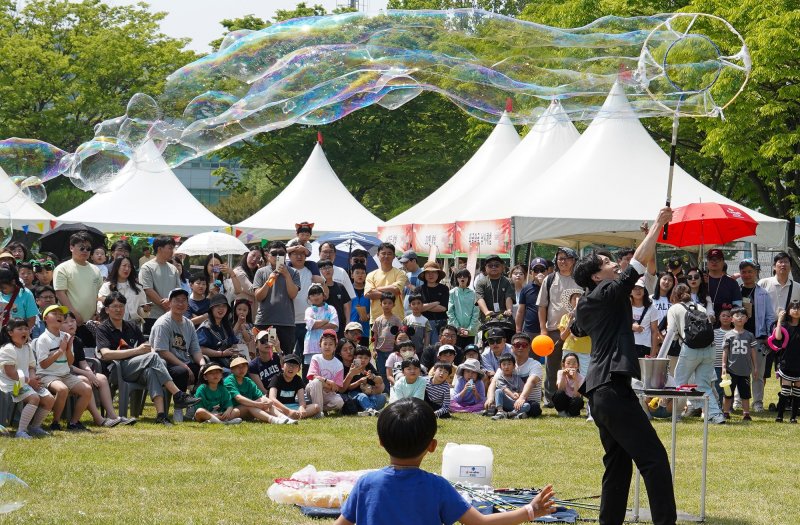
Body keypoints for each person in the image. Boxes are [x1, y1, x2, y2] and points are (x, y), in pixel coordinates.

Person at [572, 207, 677, 525]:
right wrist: (658, 226)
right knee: (654, 460)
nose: (613, 266)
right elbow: (634, 267)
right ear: (595, 276)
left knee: (618, 465)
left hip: (599, 393)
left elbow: (643, 271)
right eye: (606, 263)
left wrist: (652, 237)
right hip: (612, 390)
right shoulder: (605, 292)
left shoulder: (588, 303)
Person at [335, 397, 555, 525]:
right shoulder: (437, 486)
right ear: (432, 446)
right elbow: (480, 523)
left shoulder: (366, 483)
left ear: (381, 442)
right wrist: (530, 510)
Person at [96, 292, 200, 426]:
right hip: (116, 370)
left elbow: (147, 347)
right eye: (114, 306)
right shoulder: (103, 328)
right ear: (106, 309)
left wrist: (147, 351)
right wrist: (137, 351)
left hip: (136, 368)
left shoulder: (131, 326)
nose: (118, 309)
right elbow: (106, 354)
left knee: (153, 369)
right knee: (154, 357)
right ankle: (178, 394)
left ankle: (161, 415)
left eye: (121, 306)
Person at [658, 283, 726, 424]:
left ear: (674, 296)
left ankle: (676, 415)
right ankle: (716, 415)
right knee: (703, 384)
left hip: (690, 350)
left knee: (679, 383)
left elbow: (672, 333)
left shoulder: (674, 308)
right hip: (709, 348)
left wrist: (661, 355)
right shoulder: (699, 306)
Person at [63, 311, 133, 427]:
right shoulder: (60, 341)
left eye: (73, 321)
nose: (71, 324)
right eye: (66, 322)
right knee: (85, 380)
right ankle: (98, 418)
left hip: (78, 372)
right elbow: (65, 365)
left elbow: (83, 362)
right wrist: (87, 374)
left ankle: (112, 416)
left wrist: (90, 372)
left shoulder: (77, 340)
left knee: (102, 378)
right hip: (66, 373)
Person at [32, 304, 92, 432]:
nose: (60, 316)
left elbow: (70, 362)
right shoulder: (43, 339)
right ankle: (55, 422)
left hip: (65, 374)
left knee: (87, 390)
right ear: (46, 318)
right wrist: (60, 350)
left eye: (61, 314)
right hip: (47, 375)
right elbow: (43, 364)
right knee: (62, 389)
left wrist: (68, 349)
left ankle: (73, 423)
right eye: (55, 314)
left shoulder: (66, 336)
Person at [537, 247, 582, 407]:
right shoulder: (549, 279)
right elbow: (542, 306)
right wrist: (543, 330)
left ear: (574, 260)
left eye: (566, 258)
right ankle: (550, 399)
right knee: (552, 366)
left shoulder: (581, 279)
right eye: (560, 258)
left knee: (577, 365)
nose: (562, 261)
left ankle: (576, 398)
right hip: (554, 329)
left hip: (577, 332)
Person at [0, 318, 55, 438]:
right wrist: (30, 381)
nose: (24, 331)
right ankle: (21, 431)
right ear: (10, 333)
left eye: (26, 328)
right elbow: (10, 372)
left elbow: (31, 367)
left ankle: (35, 427)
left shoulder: (27, 347)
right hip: (10, 385)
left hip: (25, 382)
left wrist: (33, 379)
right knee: (34, 398)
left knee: (49, 399)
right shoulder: (8, 348)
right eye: (20, 329)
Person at [150, 288, 205, 397]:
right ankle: (179, 408)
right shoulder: (163, 323)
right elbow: (162, 352)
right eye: (177, 300)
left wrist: (203, 365)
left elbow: (195, 349)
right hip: (164, 364)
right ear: (170, 303)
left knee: (207, 371)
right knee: (181, 372)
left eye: (184, 300)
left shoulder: (189, 323)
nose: (180, 304)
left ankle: (196, 402)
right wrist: (184, 366)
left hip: (184, 362)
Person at [738, 259, 774, 412]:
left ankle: (757, 402)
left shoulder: (763, 293)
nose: (747, 275)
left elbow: (770, 316)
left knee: (757, 373)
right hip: (739, 336)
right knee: (738, 371)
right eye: (744, 272)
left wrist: (768, 335)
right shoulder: (737, 291)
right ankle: (738, 400)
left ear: (756, 273)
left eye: (750, 271)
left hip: (759, 337)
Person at [252, 241, 300, 356]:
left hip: (285, 323)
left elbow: (293, 294)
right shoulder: (261, 272)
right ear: (268, 255)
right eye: (274, 253)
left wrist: (286, 275)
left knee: (284, 357)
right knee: (266, 356)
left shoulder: (293, 272)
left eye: (281, 253)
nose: (278, 256)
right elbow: (258, 297)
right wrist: (269, 281)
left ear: (286, 256)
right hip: (265, 322)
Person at [53, 231, 103, 330]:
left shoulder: (96, 270)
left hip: (93, 321)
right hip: (70, 323)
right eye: (81, 247)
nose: (85, 251)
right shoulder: (62, 268)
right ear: (71, 247)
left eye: (88, 248)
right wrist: (74, 315)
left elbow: (100, 294)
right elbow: (60, 293)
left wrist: (97, 312)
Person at [224, 356, 296, 424]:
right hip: (231, 411)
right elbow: (239, 398)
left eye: (244, 366)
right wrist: (256, 404)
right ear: (232, 370)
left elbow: (260, 396)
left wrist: (268, 402)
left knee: (264, 401)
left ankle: (283, 417)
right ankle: (274, 420)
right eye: (238, 367)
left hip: (247, 410)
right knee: (249, 405)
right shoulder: (229, 380)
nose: (241, 369)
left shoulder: (247, 380)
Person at [287, 239, 325, 355]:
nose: (299, 256)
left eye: (302, 254)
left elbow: (325, 293)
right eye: (295, 254)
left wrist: (323, 281)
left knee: (307, 355)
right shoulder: (285, 271)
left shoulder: (312, 271)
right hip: (289, 321)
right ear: (289, 255)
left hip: (308, 322)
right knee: (289, 355)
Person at [721, 307, 758, 421]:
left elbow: (753, 352)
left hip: (745, 370)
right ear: (732, 319)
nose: (740, 318)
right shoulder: (728, 335)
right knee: (728, 393)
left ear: (746, 319)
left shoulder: (750, 335)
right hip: (731, 369)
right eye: (737, 316)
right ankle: (726, 412)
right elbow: (725, 351)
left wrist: (755, 367)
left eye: (742, 316)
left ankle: (746, 413)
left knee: (745, 394)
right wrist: (723, 366)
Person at [139, 236, 181, 335]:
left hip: (171, 315)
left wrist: (171, 305)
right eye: (170, 248)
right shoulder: (147, 267)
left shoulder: (173, 269)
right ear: (159, 249)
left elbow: (178, 290)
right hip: (152, 316)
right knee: (152, 348)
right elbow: (148, 289)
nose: (172, 251)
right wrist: (166, 305)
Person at [98, 255, 149, 329]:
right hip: (112, 327)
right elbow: (100, 307)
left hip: (134, 327)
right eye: (124, 265)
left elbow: (141, 312)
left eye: (129, 266)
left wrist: (145, 310)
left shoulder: (138, 288)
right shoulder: (107, 286)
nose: (127, 269)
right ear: (117, 267)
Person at [268, 353, 321, 420]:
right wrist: (288, 411)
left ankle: (291, 416)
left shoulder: (298, 379)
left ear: (299, 369)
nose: (291, 367)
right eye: (289, 364)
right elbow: (272, 398)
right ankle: (292, 415)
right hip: (279, 407)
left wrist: (302, 407)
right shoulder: (276, 378)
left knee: (316, 407)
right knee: (269, 409)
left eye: (295, 365)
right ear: (282, 366)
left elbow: (301, 400)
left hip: (293, 406)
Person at [365, 242, 407, 324]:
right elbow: (368, 294)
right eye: (383, 253)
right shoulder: (371, 275)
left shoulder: (401, 273)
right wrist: (390, 293)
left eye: (389, 254)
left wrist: (376, 289)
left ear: (394, 256)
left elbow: (395, 289)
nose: (386, 256)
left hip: (396, 319)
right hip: (376, 320)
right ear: (378, 255)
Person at [305, 329, 345, 416]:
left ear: (335, 347)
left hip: (328, 393)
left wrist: (323, 384)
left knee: (339, 402)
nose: (327, 347)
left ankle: (318, 408)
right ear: (320, 345)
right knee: (316, 382)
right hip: (313, 390)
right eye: (325, 344)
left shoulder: (339, 364)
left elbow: (336, 387)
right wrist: (328, 382)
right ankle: (318, 412)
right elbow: (313, 377)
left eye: (331, 344)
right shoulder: (316, 358)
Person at [772, 301, 800, 422]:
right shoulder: (784, 325)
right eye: (793, 308)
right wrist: (779, 319)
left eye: (798, 308)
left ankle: (793, 417)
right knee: (785, 391)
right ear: (788, 310)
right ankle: (780, 416)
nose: (796, 310)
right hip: (786, 361)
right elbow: (777, 337)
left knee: (797, 393)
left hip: (799, 364)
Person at [303, 283, 339, 373]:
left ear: (324, 295)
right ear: (309, 298)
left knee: (327, 370)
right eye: (313, 295)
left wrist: (316, 324)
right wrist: (326, 321)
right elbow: (311, 325)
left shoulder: (331, 308)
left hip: (328, 345)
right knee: (312, 371)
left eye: (318, 294)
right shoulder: (309, 310)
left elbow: (334, 325)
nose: (316, 297)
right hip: (311, 345)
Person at [197, 294, 240, 369]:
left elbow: (234, 343)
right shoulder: (205, 327)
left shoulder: (226, 325)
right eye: (218, 306)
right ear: (212, 309)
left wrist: (235, 352)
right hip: (213, 365)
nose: (221, 309)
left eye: (224, 306)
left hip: (229, 362)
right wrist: (222, 354)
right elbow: (200, 349)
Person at [414, 261, 449, 344]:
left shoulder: (444, 288)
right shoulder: (418, 290)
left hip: (439, 323)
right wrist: (435, 303)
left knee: (437, 349)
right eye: (428, 273)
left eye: (433, 272)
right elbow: (417, 308)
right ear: (424, 275)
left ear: (438, 274)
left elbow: (443, 308)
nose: (431, 275)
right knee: (421, 349)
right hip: (421, 322)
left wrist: (424, 307)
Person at [371, 292, 402, 383]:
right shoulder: (378, 320)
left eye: (389, 303)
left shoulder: (396, 320)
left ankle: (391, 389)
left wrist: (398, 348)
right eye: (384, 303)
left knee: (392, 371)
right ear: (381, 304)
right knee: (381, 371)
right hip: (380, 351)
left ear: (394, 305)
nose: (387, 305)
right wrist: (374, 349)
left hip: (392, 351)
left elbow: (400, 334)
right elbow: (375, 335)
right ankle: (384, 390)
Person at [491, 354, 534, 420]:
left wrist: (518, 394)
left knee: (527, 406)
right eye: (504, 364)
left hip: (515, 403)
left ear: (514, 366)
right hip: (506, 402)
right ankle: (500, 411)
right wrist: (512, 395)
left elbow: (522, 391)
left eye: (509, 364)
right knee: (498, 391)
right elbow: (505, 389)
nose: (506, 367)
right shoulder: (500, 378)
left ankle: (510, 414)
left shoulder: (517, 378)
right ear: (500, 367)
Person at [558, 292, 592, 375]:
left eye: (580, 298)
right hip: (569, 349)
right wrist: (570, 323)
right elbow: (562, 337)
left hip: (585, 350)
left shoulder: (590, 317)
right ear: (570, 301)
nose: (577, 300)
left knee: (585, 376)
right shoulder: (565, 317)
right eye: (574, 298)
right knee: (567, 374)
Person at [346, 345, 386, 416]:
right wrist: (359, 382)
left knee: (382, 398)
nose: (363, 360)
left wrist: (373, 377)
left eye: (366, 358)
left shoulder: (369, 367)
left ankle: (366, 410)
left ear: (369, 359)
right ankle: (371, 409)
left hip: (369, 394)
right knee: (363, 396)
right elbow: (348, 387)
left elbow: (380, 380)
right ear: (355, 357)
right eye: (360, 357)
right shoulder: (352, 368)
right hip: (354, 394)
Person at [705, 248, 743, 321]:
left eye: (717, 259)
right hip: (703, 323)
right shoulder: (701, 280)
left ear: (723, 262)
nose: (714, 262)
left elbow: (737, 307)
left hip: (725, 325)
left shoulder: (732, 283)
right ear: (707, 262)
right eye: (711, 259)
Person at [318, 259, 350, 339]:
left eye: (329, 267)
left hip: (340, 324)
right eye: (323, 268)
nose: (327, 270)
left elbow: (346, 306)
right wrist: (322, 282)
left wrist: (347, 322)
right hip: (324, 324)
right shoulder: (318, 288)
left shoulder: (340, 286)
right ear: (320, 271)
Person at [475, 255, 513, 321]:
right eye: (490, 266)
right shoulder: (481, 282)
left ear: (502, 267)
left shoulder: (508, 281)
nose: (493, 267)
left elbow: (509, 297)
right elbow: (480, 298)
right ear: (485, 268)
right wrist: (486, 312)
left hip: (505, 317)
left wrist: (509, 310)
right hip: (487, 318)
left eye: (496, 265)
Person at [448, 268, 479, 348]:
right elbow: (450, 312)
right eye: (459, 276)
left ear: (468, 278)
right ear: (456, 278)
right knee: (455, 353)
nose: (462, 278)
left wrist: (469, 329)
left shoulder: (473, 294)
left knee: (469, 352)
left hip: (470, 332)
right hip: (455, 331)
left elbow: (476, 312)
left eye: (465, 276)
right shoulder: (452, 293)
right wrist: (458, 328)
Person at [516, 258, 547, 337]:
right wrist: (518, 330)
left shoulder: (552, 287)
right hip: (530, 330)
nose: (539, 273)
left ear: (547, 271)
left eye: (542, 269)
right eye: (536, 270)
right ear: (531, 272)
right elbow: (520, 311)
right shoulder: (526, 288)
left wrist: (544, 283)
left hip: (548, 329)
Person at [630, 278, 660, 359]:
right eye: (634, 288)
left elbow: (654, 331)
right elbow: (618, 324)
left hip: (644, 346)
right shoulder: (626, 306)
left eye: (640, 288)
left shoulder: (652, 308)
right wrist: (631, 326)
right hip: (627, 345)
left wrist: (653, 354)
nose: (638, 291)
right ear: (630, 291)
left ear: (644, 290)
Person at [553, 352, 585, 417]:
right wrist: (563, 376)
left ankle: (571, 413)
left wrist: (575, 379)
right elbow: (560, 389)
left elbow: (577, 395)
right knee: (558, 394)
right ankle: (562, 412)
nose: (571, 366)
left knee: (578, 400)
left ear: (578, 366)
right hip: (564, 400)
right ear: (563, 365)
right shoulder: (560, 373)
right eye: (568, 363)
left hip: (573, 401)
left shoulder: (581, 377)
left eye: (574, 363)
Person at [349, 263, 371, 341]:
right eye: (357, 273)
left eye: (363, 273)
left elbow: (375, 308)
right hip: (349, 329)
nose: (360, 275)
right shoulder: (347, 290)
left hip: (364, 330)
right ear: (352, 275)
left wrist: (369, 315)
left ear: (366, 275)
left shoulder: (370, 291)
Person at [399, 249, 422, 314]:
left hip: (417, 313)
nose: (404, 265)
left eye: (406, 262)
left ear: (414, 261)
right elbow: (403, 293)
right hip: (405, 312)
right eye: (403, 263)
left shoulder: (423, 274)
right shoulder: (406, 275)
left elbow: (422, 293)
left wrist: (408, 285)